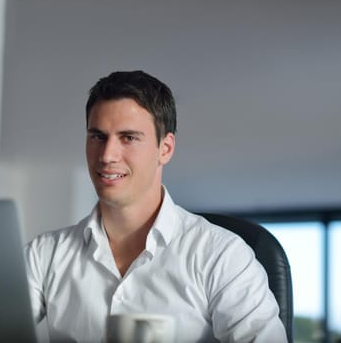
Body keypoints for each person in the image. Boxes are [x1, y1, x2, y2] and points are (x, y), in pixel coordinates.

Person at [25, 70, 287, 342]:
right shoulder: (43, 256)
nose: (107, 155)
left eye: (128, 137)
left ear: (165, 148)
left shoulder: (221, 255)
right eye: (98, 137)